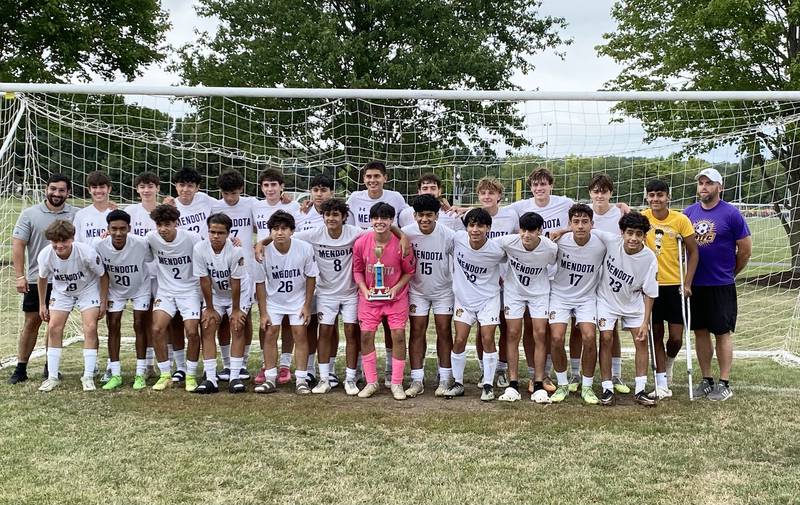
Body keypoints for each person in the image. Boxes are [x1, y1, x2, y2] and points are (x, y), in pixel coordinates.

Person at [684, 168, 752, 401]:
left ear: (720, 187)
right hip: (695, 284)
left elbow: (745, 250)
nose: (704, 187)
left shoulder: (731, 214)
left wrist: (730, 273)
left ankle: (724, 383)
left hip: (721, 284)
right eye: (701, 183)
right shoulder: (689, 213)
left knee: (722, 332)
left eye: (709, 183)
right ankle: (706, 379)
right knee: (700, 332)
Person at [9, 173, 77, 384]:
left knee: (54, 324)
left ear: (68, 193)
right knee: (32, 323)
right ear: (46, 189)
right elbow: (18, 244)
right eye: (53, 189)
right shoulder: (30, 213)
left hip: (63, 281)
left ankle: (50, 367)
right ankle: (21, 368)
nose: (56, 193)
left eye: (61, 190)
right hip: (35, 278)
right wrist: (20, 276)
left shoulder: (77, 214)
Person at [594, 212, 659, 406]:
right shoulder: (611, 241)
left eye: (639, 234)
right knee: (606, 338)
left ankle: (640, 389)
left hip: (633, 303)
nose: (633, 238)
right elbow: (586, 230)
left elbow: (650, 293)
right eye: (629, 233)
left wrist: (645, 322)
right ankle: (607, 387)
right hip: (606, 300)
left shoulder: (649, 258)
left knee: (641, 339)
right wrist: (562, 230)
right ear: (622, 232)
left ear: (644, 236)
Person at [642, 179, 699, 398]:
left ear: (668, 197)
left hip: (675, 285)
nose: (656, 199)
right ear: (647, 197)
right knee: (655, 333)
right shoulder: (644, 218)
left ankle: (670, 361)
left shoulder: (681, 220)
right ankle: (661, 383)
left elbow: (693, 252)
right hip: (651, 286)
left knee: (675, 337)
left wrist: (688, 283)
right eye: (652, 195)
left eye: (660, 195)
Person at [352, 202, 415, 400]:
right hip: (370, 298)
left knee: (397, 335)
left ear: (391, 221)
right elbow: (358, 270)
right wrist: (364, 289)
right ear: (371, 220)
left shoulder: (402, 243)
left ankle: (396, 383)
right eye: (376, 218)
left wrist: (396, 289)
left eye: (384, 218)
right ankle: (371, 382)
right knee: (365, 336)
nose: (380, 222)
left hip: (395, 299)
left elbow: (409, 272)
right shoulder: (362, 242)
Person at [36, 220, 108, 392]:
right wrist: (42, 304)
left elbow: (103, 275)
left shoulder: (86, 253)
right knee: (54, 327)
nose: (59, 246)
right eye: (55, 242)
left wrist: (103, 300)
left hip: (87, 289)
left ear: (72, 238)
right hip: (62, 291)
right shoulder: (45, 255)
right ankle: (52, 376)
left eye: (64, 241)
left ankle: (88, 375)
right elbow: (42, 278)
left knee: (90, 327)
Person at [445, 208, 507, 401]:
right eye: (472, 225)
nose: (475, 229)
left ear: (488, 228)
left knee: (487, 339)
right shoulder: (457, 239)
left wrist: (503, 279)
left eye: (480, 225)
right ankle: (458, 383)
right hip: (464, 300)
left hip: (488, 300)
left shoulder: (497, 250)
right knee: (459, 339)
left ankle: (488, 384)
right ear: (467, 227)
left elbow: (512, 259)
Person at [495, 212, 558, 403]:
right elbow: (487, 250)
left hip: (539, 293)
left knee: (539, 333)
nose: (526, 235)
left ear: (540, 231)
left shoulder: (550, 248)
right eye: (523, 230)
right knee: (513, 333)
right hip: (514, 292)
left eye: (531, 231)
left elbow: (554, 265)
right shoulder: (507, 242)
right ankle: (513, 384)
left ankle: (538, 383)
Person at [254, 211, 318, 394]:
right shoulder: (262, 252)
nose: (279, 232)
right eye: (275, 229)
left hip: (297, 299)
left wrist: (307, 305)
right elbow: (260, 284)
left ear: (292, 231)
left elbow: (311, 277)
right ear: (270, 232)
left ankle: (301, 379)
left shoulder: (304, 248)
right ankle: (270, 378)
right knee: (270, 332)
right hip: (274, 300)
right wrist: (263, 312)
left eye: (284, 228)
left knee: (300, 333)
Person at [548, 204, 606, 405]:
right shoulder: (559, 241)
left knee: (589, 337)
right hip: (560, 296)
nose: (580, 226)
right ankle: (562, 384)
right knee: (556, 338)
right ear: (569, 224)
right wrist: (561, 231)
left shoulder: (601, 242)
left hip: (586, 298)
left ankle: (588, 386)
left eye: (585, 222)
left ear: (592, 224)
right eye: (575, 222)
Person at [402, 194, 457, 397]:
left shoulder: (449, 235)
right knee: (417, 331)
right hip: (418, 290)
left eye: (429, 215)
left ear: (437, 215)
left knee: (444, 330)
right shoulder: (406, 234)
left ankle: (445, 377)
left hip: (443, 290)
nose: (424, 219)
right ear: (414, 216)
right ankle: (417, 379)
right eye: (420, 215)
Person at [252, 167, 303, 386]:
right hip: (266, 263)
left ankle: (285, 363)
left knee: (291, 322)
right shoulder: (254, 205)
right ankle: (267, 364)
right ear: (261, 188)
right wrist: (261, 243)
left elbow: (297, 230)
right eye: (266, 185)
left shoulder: (293, 206)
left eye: (274, 184)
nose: (270, 188)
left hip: (289, 263)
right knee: (269, 322)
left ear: (282, 187)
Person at [193, 213, 252, 394]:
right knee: (208, 325)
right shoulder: (200, 249)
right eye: (212, 232)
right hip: (215, 294)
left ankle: (234, 376)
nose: (215, 236)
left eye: (220, 232)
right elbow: (204, 280)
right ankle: (211, 378)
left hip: (239, 294)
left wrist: (235, 310)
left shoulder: (236, 251)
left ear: (228, 234)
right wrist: (209, 308)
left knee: (237, 325)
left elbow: (236, 282)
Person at [95, 210, 154, 390]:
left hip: (140, 288)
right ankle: (116, 373)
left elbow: (152, 258)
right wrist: (103, 299)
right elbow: (100, 272)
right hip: (115, 291)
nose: (118, 233)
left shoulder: (141, 244)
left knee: (139, 324)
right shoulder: (99, 246)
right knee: (113, 324)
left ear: (129, 228)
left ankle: (140, 373)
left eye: (122, 229)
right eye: (114, 229)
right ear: (108, 229)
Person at [146, 204, 202, 391]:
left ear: (176, 223)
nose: (163, 229)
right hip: (166, 292)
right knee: (157, 329)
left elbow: (208, 252)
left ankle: (191, 375)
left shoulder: (192, 238)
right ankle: (165, 374)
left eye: (167, 224)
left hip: (190, 291)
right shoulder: (151, 238)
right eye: (159, 224)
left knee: (192, 332)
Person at [212, 170, 259, 383]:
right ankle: (227, 363)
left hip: (246, 270)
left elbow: (270, 211)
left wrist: (288, 200)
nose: (229, 198)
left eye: (233, 193)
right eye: (225, 194)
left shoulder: (251, 204)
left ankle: (243, 362)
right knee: (222, 320)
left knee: (243, 318)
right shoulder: (214, 206)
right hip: (221, 271)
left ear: (241, 189)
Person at [587, 174, 628, 393]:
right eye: (596, 190)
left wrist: (623, 206)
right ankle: (578, 374)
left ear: (611, 193)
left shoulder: (619, 213)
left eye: (604, 191)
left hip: (611, 277)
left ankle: (616, 374)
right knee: (582, 327)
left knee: (610, 328)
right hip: (586, 275)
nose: (600, 194)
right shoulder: (583, 211)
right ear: (590, 193)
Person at [126, 172, 161, 378]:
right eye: (142, 186)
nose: (146, 190)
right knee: (144, 319)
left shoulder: (166, 210)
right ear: (137, 190)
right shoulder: (130, 211)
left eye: (150, 186)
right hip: (139, 274)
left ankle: (170, 363)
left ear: (157, 188)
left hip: (163, 273)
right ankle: (148, 364)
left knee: (163, 320)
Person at [397, 173, 464, 231]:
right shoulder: (405, 214)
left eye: (433, 188)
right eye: (425, 188)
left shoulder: (452, 216)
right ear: (419, 192)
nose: (429, 192)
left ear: (439, 191)